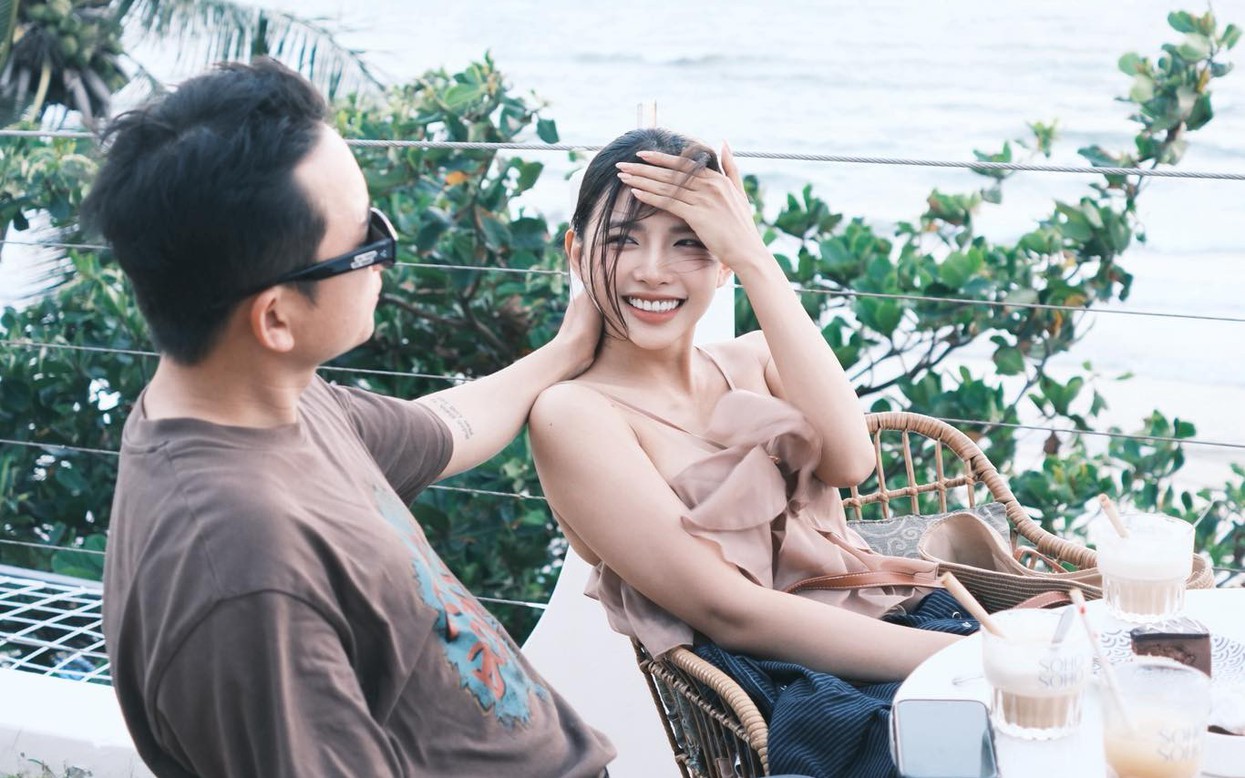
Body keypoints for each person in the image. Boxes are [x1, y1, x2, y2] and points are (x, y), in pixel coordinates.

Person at [85, 58, 614, 777]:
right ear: (274, 317)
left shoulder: (268, 398)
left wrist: (569, 347)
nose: (384, 259)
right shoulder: (245, 575)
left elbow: (444, 425)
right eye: (367, 240)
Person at [528, 128, 978, 776]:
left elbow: (850, 462)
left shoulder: (757, 358)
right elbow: (729, 611)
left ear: (724, 261)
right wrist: (975, 661)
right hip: (801, 694)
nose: (652, 269)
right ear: (576, 251)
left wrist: (755, 258)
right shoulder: (573, 414)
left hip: (906, 623)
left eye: (690, 241)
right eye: (623, 239)